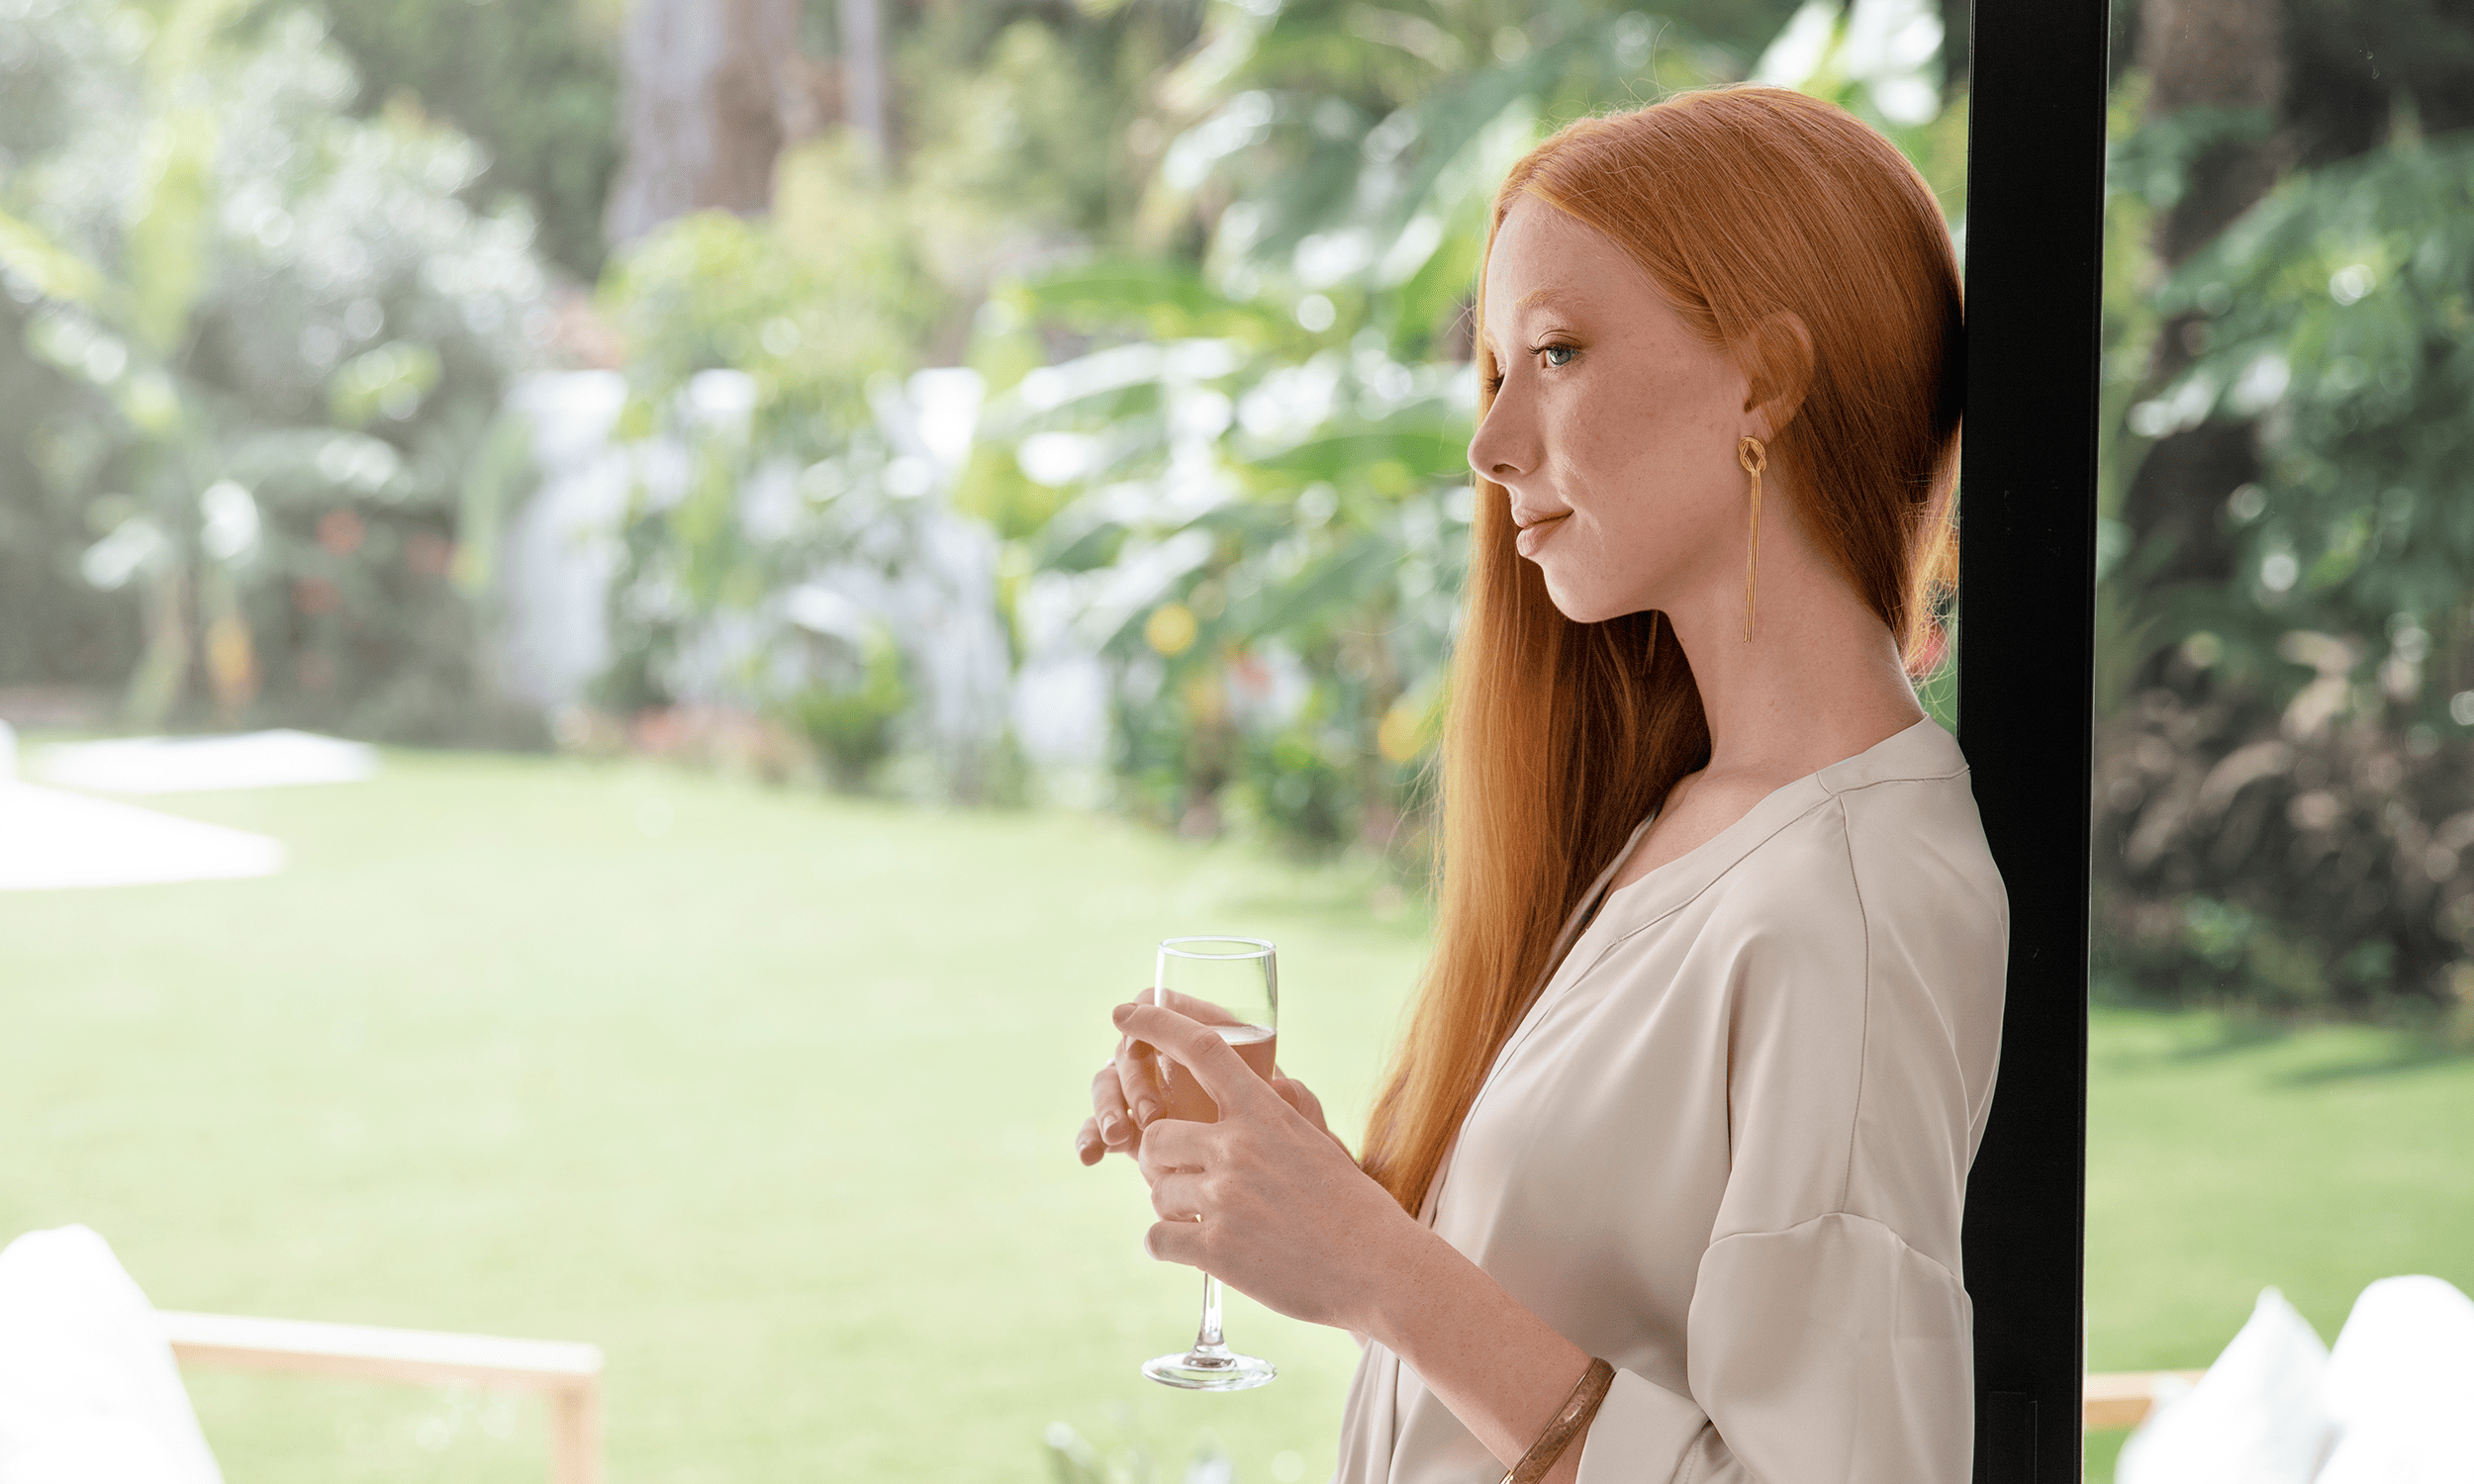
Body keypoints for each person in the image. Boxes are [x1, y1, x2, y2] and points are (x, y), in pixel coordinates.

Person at [1075, 84, 2006, 1484]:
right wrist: (1315, 1196)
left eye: (1557, 352)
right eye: (1496, 368)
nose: (1491, 443)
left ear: (1764, 381)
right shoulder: (1689, 823)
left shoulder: (1853, 901)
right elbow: (1575, 1321)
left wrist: (1380, 1269)